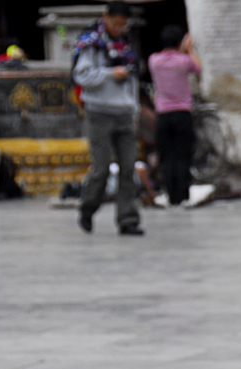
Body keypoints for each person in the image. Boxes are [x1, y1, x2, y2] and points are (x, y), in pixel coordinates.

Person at [73, 1, 143, 236]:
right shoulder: (92, 44)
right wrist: (109, 73)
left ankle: (128, 219)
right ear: (105, 17)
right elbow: (81, 76)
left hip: (124, 113)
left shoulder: (127, 45)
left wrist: (134, 110)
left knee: (128, 169)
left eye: (124, 25)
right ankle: (88, 208)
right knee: (101, 168)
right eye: (116, 23)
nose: (119, 28)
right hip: (99, 113)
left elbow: (133, 81)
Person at [148, 25, 202, 207]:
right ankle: (183, 195)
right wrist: (189, 49)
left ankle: (171, 195)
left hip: (163, 114)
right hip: (183, 113)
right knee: (182, 155)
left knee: (166, 156)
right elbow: (198, 67)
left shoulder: (154, 61)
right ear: (180, 43)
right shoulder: (184, 61)